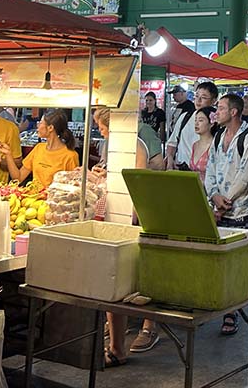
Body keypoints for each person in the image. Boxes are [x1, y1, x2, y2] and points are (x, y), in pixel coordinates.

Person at [97, 107, 160, 366]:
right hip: (117, 217)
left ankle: (148, 327)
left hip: (137, 218)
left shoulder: (137, 146)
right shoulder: (112, 145)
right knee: (116, 278)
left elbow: (138, 182)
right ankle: (116, 342)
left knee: (140, 277)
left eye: (102, 127)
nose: (100, 132)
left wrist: (132, 213)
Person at [205, 93, 248, 336]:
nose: (216, 112)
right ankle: (218, 302)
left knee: (237, 265)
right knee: (218, 261)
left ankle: (232, 312)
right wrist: (214, 195)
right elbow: (210, 169)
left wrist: (225, 202)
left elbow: (246, 176)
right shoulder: (218, 137)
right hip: (219, 208)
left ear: (234, 112)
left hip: (240, 211)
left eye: (221, 108)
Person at [0, 110, 78, 189]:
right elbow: (18, 178)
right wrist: (8, 154)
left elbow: (73, 188)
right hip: (34, 196)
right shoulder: (38, 148)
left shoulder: (70, 156)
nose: (37, 125)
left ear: (50, 128)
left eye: (40, 123)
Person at [165, 81, 218, 170]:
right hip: (181, 169)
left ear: (214, 101)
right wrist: (170, 158)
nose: (198, 100)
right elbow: (172, 143)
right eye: (196, 96)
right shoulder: (184, 117)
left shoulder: (218, 122)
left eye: (204, 97)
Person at [186, 106, 216, 183]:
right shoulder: (195, 145)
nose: (196, 123)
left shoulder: (214, 146)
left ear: (211, 124)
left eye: (201, 120)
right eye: (195, 120)